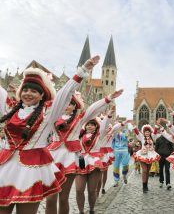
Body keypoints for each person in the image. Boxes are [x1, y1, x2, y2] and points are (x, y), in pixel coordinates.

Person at [0, 56, 99, 214]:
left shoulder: (48, 113)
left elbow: (65, 93)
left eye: (34, 91)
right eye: (25, 89)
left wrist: (82, 70)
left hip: (30, 171)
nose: (28, 93)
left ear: (42, 95)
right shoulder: (10, 110)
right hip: (6, 167)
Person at [46, 91, 122, 214]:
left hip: (74, 160)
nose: (66, 106)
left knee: (65, 197)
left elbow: (92, 111)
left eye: (70, 103)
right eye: (64, 103)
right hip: (54, 157)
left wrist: (107, 99)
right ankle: (82, 211)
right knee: (51, 198)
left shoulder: (79, 120)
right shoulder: (54, 116)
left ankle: (91, 208)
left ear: (75, 106)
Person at [132, 124, 160, 193]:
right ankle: (144, 186)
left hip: (150, 155)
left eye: (148, 131)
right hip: (143, 154)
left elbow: (155, 132)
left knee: (147, 171)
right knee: (144, 170)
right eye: (145, 132)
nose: (147, 133)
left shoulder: (152, 137)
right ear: (144, 132)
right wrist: (134, 126)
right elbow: (137, 133)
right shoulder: (142, 137)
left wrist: (156, 126)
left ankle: (146, 185)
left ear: (150, 132)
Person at [154, 123, 174, 190]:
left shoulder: (169, 138)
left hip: (167, 156)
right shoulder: (158, 139)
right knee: (161, 169)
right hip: (160, 156)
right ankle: (161, 181)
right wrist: (157, 156)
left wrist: (171, 155)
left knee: (167, 170)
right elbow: (156, 149)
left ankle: (168, 183)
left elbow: (172, 148)